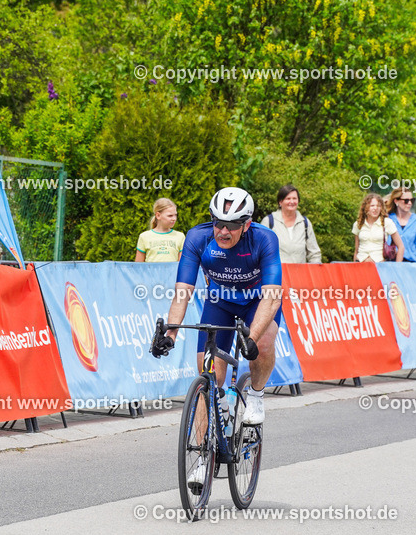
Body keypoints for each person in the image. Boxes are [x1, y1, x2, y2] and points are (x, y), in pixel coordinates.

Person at [150, 187, 282, 491]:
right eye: (218, 223)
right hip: (220, 302)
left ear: (246, 224)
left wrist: (252, 336)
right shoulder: (198, 238)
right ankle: (200, 457)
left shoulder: (264, 239)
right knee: (208, 376)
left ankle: (257, 397)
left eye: (232, 226)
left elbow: (272, 297)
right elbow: (183, 291)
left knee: (260, 345)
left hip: (257, 302)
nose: (223, 231)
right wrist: (170, 332)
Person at [261, 185, 322, 263]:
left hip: (300, 273)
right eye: (288, 199)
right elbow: (259, 251)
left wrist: (314, 270)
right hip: (277, 274)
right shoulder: (269, 222)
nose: (292, 202)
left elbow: (314, 254)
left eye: (294, 198)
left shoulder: (305, 223)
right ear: (280, 202)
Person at [352, 193, 403, 262]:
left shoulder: (387, 223)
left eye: (378, 206)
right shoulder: (358, 224)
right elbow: (356, 249)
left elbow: (401, 247)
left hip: (380, 266)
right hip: (361, 264)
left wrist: (397, 267)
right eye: (372, 206)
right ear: (365, 207)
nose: (375, 208)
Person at [135, 198, 185, 262]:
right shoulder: (144, 236)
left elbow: (181, 266)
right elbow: (138, 266)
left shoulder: (180, 236)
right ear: (158, 215)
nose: (174, 218)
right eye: (170, 216)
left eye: (175, 215)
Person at [386, 187, 416, 262]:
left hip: (411, 265)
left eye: (412, 200)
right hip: (390, 264)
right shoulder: (388, 219)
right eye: (406, 200)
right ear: (396, 201)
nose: (410, 203)